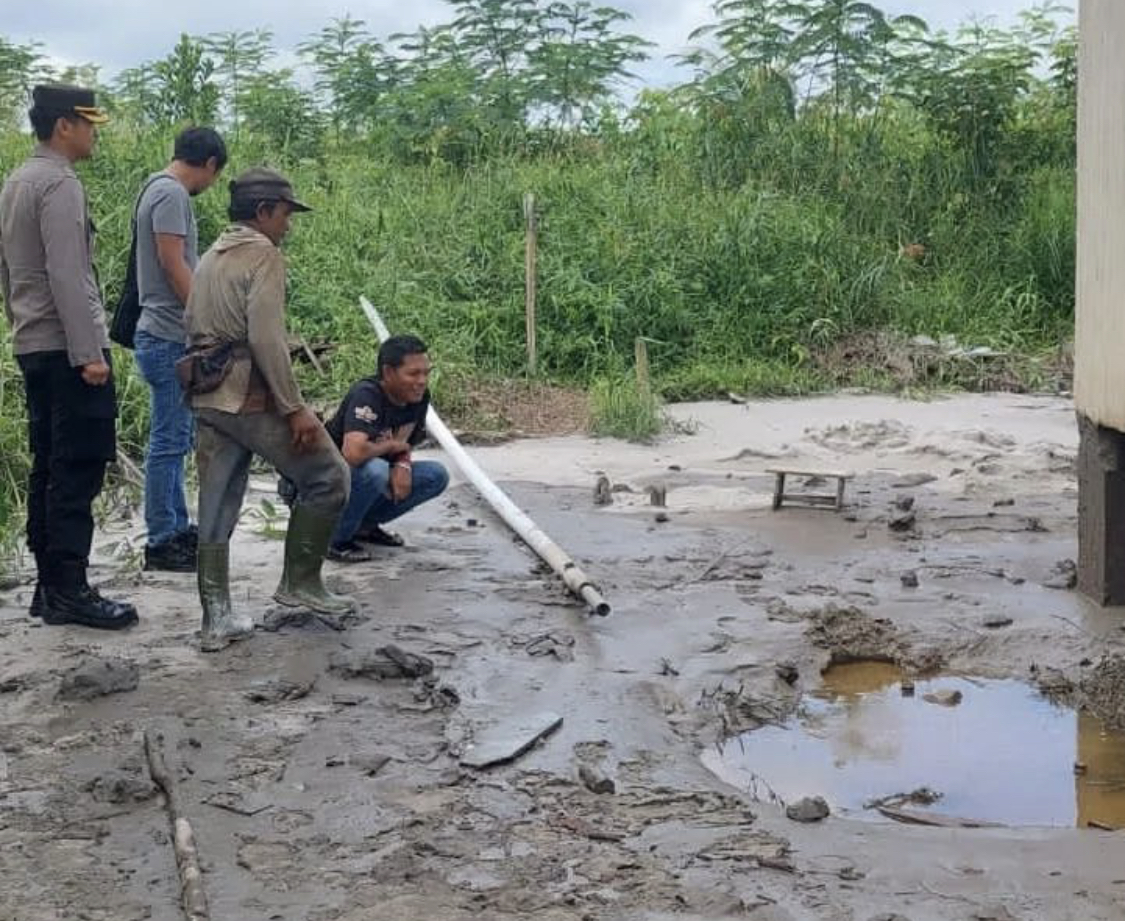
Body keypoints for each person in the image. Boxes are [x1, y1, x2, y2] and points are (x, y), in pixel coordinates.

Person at [184, 167, 352, 648]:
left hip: (206, 392)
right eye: (285, 214)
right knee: (328, 477)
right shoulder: (264, 256)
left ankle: (216, 618)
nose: (288, 225)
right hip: (247, 394)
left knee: (216, 503)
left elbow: (190, 322)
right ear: (263, 213)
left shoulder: (211, 257)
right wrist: (295, 408)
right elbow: (265, 339)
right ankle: (300, 583)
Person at [0, 85, 137, 629]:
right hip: (67, 349)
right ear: (64, 126)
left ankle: (49, 586)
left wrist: (21, 327)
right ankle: (69, 589)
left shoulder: (16, 180)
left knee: (49, 467)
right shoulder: (58, 183)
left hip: (35, 344)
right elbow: (67, 274)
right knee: (77, 468)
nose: (94, 133)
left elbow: (8, 271)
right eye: (89, 124)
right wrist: (88, 354)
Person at [134, 127, 227, 573]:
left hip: (164, 332)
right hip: (168, 333)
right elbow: (174, 264)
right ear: (209, 164)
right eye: (214, 174)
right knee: (169, 442)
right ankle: (161, 538)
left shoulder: (156, 188)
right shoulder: (172, 195)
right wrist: (202, 321)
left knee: (176, 437)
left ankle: (175, 524)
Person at [324, 335, 450, 563]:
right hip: (324, 486)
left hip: (361, 480)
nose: (422, 381)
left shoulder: (417, 397)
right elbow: (353, 453)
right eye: (413, 374)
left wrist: (402, 462)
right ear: (389, 373)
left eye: (426, 373)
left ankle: (363, 526)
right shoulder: (367, 395)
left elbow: (406, 439)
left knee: (436, 475)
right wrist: (390, 446)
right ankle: (333, 539)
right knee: (375, 470)